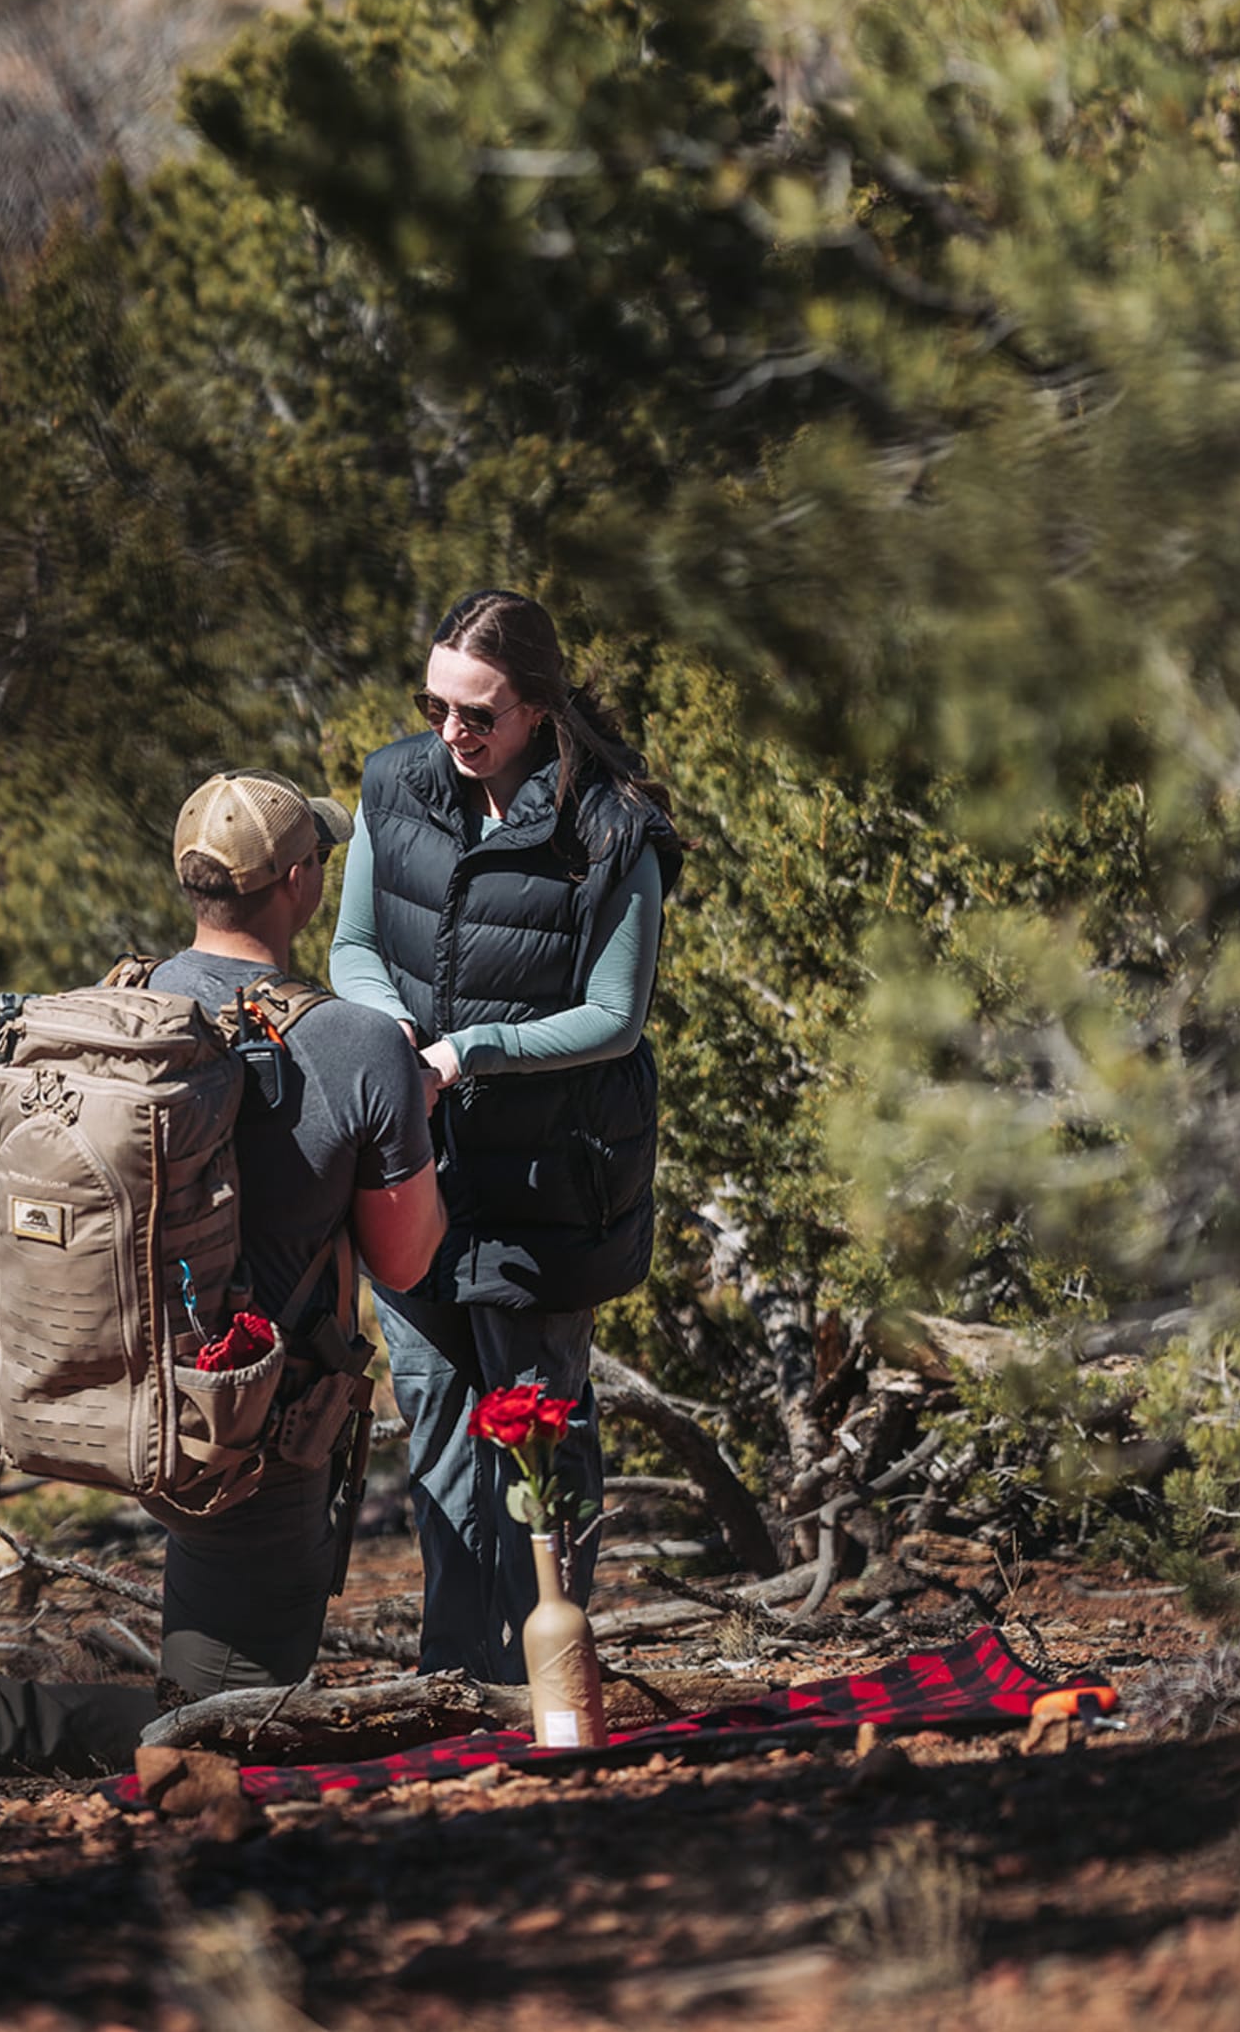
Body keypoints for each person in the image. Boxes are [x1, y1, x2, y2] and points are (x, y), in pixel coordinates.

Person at [0, 771, 445, 1819]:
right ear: (302, 881)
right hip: (250, 1429)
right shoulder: (358, 1045)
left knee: (237, 1702)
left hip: (117, 1389)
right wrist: (417, 1111)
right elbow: (405, 1263)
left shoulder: (121, 1007)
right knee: (232, 1735)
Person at [328, 589, 681, 1685]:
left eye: (477, 712)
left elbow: (614, 1017)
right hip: (417, 1175)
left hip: (549, 1182)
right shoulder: (394, 789)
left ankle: (549, 1677)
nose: (451, 733)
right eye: (435, 705)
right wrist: (391, 1036)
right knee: (432, 1415)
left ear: (538, 708)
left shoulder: (616, 828)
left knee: (540, 1425)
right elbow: (350, 946)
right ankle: (455, 1674)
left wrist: (463, 1053)